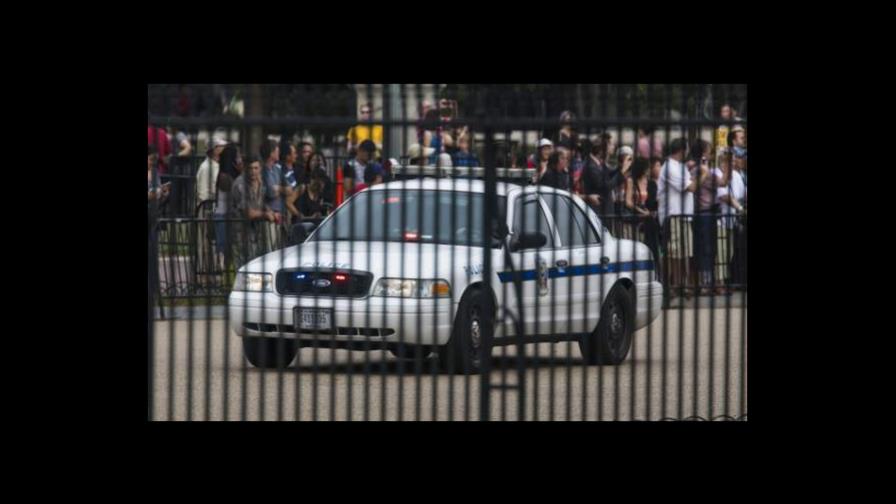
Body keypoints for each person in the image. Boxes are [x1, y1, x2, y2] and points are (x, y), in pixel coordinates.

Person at [657, 138, 698, 297]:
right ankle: (670, 287)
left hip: (684, 216)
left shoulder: (680, 167)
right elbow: (691, 187)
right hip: (672, 216)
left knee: (684, 253)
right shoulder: (669, 168)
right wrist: (702, 173)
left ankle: (680, 285)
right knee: (673, 254)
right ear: (682, 150)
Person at [691, 141, 726, 295]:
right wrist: (727, 165)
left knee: (705, 247)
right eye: (710, 151)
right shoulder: (702, 169)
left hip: (704, 213)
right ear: (704, 152)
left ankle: (705, 282)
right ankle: (705, 283)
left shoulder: (694, 167)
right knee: (706, 248)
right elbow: (723, 182)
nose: (712, 153)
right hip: (705, 213)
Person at [230, 155, 278, 264]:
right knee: (244, 268)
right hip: (240, 233)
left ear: (260, 168)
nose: (253, 171)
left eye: (256, 168)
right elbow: (248, 213)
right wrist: (266, 215)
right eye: (250, 168)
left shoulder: (260, 183)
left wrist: (271, 212)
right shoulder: (240, 184)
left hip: (256, 233)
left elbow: (261, 203)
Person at [625, 157, 660, 264]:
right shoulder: (631, 181)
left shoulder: (650, 183)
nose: (649, 170)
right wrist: (641, 211)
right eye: (647, 168)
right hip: (636, 218)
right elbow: (628, 202)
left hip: (648, 219)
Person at [213, 144, 241, 270]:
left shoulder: (230, 174)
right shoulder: (224, 176)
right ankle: (221, 269)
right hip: (222, 214)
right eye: (237, 157)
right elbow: (235, 192)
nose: (239, 159)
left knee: (229, 246)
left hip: (229, 215)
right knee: (223, 245)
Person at [581, 133, 620, 218]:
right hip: (598, 212)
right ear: (602, 149)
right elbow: (604, 186)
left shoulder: (600, 163)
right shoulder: (591, 166)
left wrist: (622, 167)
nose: (613, 147)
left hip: (605, 210)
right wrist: (621, 174)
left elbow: (610, 172)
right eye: (610, 145)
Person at [259, 139, 286, 244]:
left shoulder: (277, 169)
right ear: (271, 153)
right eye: (277, 150)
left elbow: (289, 190)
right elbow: (270, 193)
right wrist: (280, 189)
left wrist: (277, 188)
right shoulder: (262, 171)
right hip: (269, 217)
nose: (279, 152)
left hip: (280, 215)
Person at [196, 138, 227, 216]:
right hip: (208, 212)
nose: (225, 148)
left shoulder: (218, 165)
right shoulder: (206, 167)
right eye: (222, 146)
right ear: (215, 150)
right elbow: (202, 195)